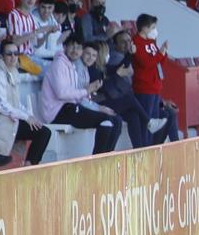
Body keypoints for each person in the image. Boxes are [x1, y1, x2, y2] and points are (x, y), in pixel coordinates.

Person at [38, 30, 120, 154]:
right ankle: (97, 164)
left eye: (79, 48)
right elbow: (62, 93)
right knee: (105, 121)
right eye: (72, 46)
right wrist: (86, 90)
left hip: (68, 108)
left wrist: (96, 106)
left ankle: (106, 160)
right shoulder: (59, 64)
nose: (75, 50)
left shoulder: (71, 66)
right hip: (56, 112)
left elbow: (77, 96)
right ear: (65, 47)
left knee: (111, 120)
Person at [0, 40, 53, 166]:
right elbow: (1, 105)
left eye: (16, 54)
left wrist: (29, 116)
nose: (13, 57)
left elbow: (16, 103)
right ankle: (29, 166)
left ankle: (30, 165)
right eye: (9, 54)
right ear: (1, 56)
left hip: (9, 118)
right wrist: (26, 117)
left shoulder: (11, 72)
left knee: (43, 131)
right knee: (43, 132)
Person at [128, 14, 182, 145]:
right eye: (153, 27)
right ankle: (146, 147)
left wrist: (163, 52)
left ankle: (155, 145)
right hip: (144, 88)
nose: (155, 30)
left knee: (159, 118)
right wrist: (160, 53)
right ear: (144, 28)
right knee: (148, 122)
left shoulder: (151, 42)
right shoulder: (136, 43)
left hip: (156, 86)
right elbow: (146, 63)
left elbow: (158, 62)